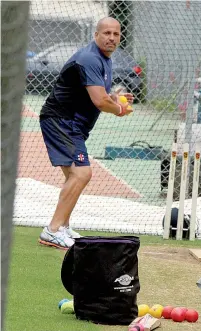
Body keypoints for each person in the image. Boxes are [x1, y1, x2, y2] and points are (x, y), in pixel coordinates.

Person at [38, 17, 134, 249]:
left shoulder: (104, 58)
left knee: (74, 175)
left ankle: (61, 227)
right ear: (96, 35)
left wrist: (114, 98)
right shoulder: (89, 58)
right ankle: (51, 231)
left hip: (72, 124)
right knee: (82, 174)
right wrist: (118, 108)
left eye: (116, 34)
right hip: (62, 121)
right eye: (107, 33)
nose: (111, 38)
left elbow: (100, 94)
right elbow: (99, 101)